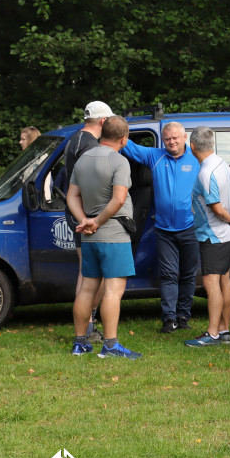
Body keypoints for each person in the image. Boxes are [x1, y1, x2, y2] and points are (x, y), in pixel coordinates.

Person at [66, 116, 141, 359]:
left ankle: (80, 343)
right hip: (114, 234)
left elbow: (71, 197)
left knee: (87, 289)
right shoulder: (119, 161)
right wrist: (96, 221)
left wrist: (84, 221)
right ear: (124, 139)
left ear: (101, 134)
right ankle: (109, 346)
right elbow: (118, 199)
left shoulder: (83, 159)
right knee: (113, 291)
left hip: (89, 236)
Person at [122, 121, 200, 333]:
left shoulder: (196, 160)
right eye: (167, 139)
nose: (171, 142)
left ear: (185, 138)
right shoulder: (155, 156)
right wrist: (110, 122)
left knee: (188, 275)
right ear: (163, 140)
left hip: (191, 228)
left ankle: (183, 316)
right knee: (168, 274)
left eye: (175, 138)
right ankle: (168, 319)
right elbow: (126, 144)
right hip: (164, 229)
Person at [183, 127, 230, 347]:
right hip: (226, 236)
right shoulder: (223, 164)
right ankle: (224, 330)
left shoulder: (205, 173)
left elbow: (218, 209)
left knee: (212, 283)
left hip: (213, 236)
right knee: (224, 280)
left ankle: (212, 334)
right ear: (211, 144)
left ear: (192, 146)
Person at [66, 101, 115, 341]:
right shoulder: (90, 146)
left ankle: (84, 328)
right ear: (104, 122)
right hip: (90, 217)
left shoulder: (74, 138)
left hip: (78, 213)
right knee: (97, 277)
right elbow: (96, 184)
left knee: (86, 274)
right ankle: (87, 327)